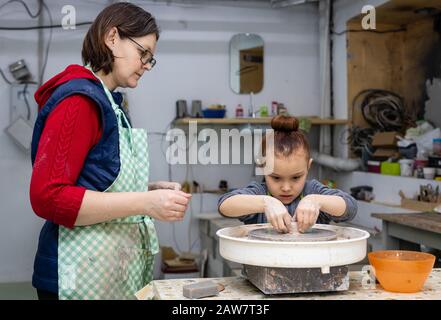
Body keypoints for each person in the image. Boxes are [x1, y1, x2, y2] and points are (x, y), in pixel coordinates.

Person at [29, 2, 191, 300]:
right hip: (74, 276)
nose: (146, 64)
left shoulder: (111, 104)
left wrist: (148, 189)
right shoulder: (79, 101)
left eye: (150, 59)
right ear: (112, 37)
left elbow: (94, 181)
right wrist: (145, 202)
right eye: (144, 53)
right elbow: (48, 197)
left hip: (104, 271)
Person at [218, 115, 357, 233]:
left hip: (311, 264)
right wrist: (265, 203)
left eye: (296, 177)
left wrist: (317, 201)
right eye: (276, 178)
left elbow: (350, 207)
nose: (286, 187)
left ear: (308, 166)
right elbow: (224, 204)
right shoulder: (260, 192)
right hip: (263, 264)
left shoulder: (313, 191)